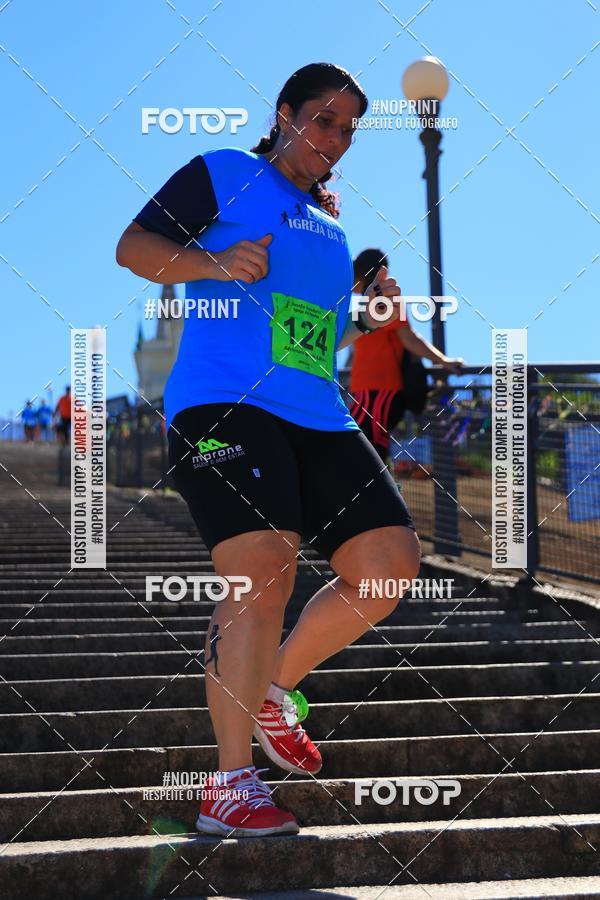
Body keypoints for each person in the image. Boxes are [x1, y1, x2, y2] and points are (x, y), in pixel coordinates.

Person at [116, 62, 421, 838]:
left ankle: (274, 690)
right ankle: (228, 786)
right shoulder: (227, 172)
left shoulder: (328, 222)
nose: (335, 139)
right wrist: (210, 263)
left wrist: (367, 320)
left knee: (389, 564)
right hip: (224, 402)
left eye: (348, 129)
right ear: (283, 114)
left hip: (315, 412)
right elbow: (133, 246)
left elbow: (306, 334)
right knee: (261, 572)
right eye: (322, 120)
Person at [349, 248, 464, 465]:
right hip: (367, 392)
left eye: (356, 271)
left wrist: (443, 361)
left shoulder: (385, 298)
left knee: (366, 452)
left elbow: (409, 338)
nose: (351, 277)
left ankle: (382, 488)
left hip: (381, 390)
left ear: (367, 272)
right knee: (363, 451)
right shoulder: (366, 302)